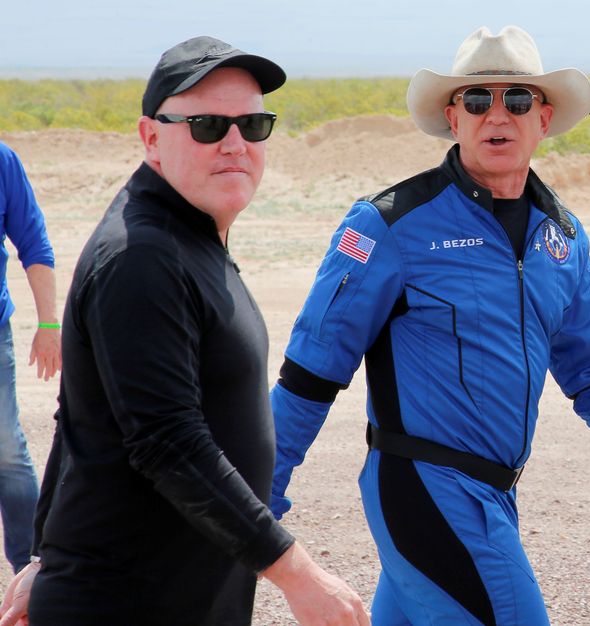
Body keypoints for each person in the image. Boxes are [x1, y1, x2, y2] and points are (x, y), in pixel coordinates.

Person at [268, 25, 590, 625]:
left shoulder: (562, 237)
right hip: (426, 489)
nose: (496, 114)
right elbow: (312, 369)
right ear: (454, 118)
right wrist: (253, 500)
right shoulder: (389, 224)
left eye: (517, 99)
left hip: (497, 493)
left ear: (544, 118)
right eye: (477, 101)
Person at [0, 36, 369, 626]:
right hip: (128, 603)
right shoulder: (143, 258)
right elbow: (167, 439)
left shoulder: (190, 234)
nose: (234, 144)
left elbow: (84, 416)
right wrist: (297, 573)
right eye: (205, 126)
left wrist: (43, 551)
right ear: (151, 138)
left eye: (253, 124)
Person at [0, 142, 61, 576]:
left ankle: (33, 566)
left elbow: (34, 243)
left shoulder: (3, 162)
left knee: (5, 450)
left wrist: (49, 325)